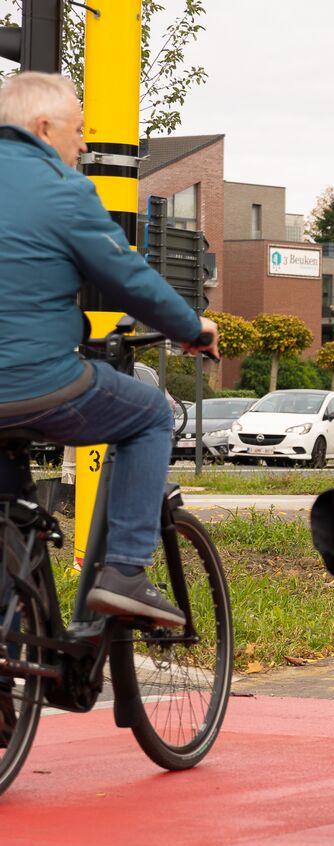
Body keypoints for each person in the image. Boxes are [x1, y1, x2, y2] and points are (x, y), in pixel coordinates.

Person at [0, 73, 219, 627]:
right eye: (77, 132)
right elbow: (129, 279)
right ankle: (124, 572)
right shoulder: (62, 190)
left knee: (8, 513)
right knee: (149, 413)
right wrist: (194, 327)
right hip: (34, 385)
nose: (82, 146)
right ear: (43, 127)